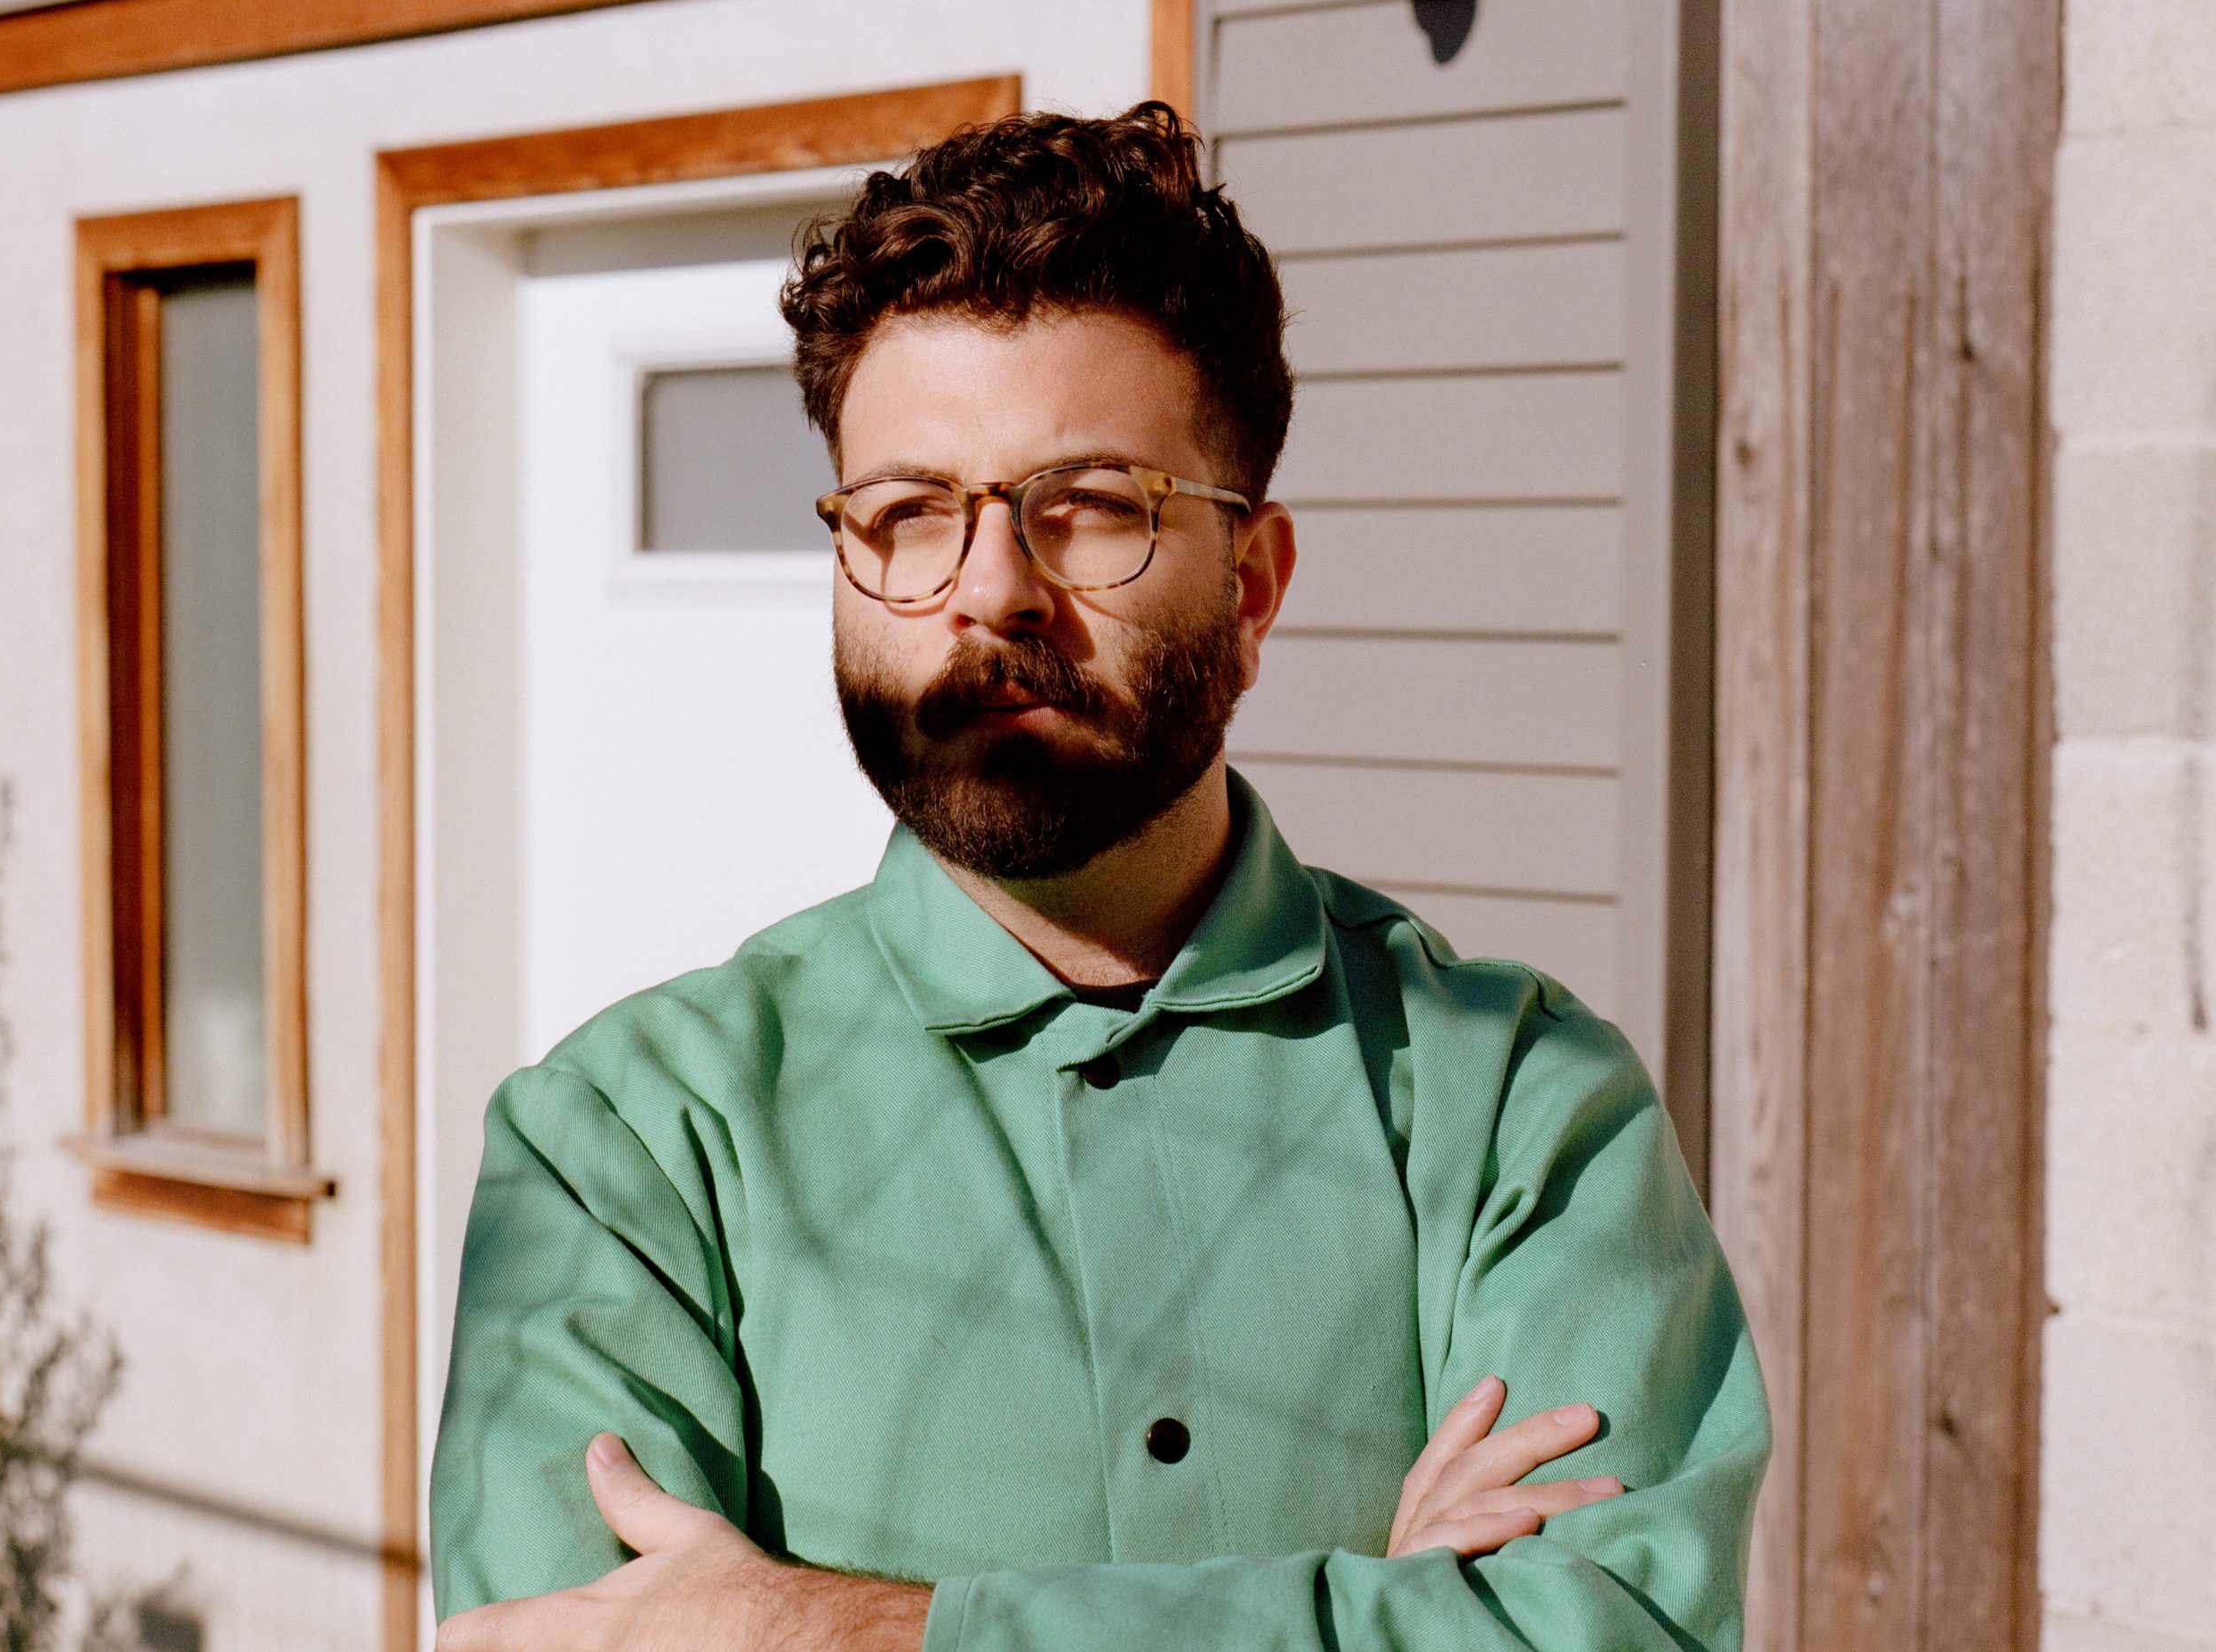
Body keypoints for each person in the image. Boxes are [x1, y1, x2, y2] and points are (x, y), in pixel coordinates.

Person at [429, 103, 1769, 1652]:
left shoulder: (1522, 1104)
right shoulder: (627, 1150)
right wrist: (1390, 1616)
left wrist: (833, 1629)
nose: (989, 588)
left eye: (1090, 507)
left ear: (1254, 587)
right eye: (907, 514)